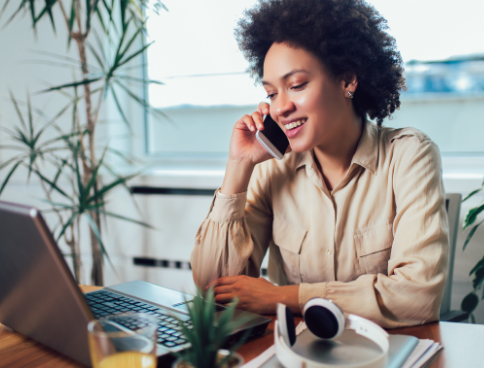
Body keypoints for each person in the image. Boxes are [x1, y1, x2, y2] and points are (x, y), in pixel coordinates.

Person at [190, 0, 449, 328]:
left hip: (382, 359)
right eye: (271, 93)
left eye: (296, 85)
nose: (280, 108)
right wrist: (239, 166)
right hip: (295, 356)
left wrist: (284, 297)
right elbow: (215, 289)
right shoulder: (273, 166)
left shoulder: (409, 156)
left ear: (347, 80)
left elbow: (418, 297)